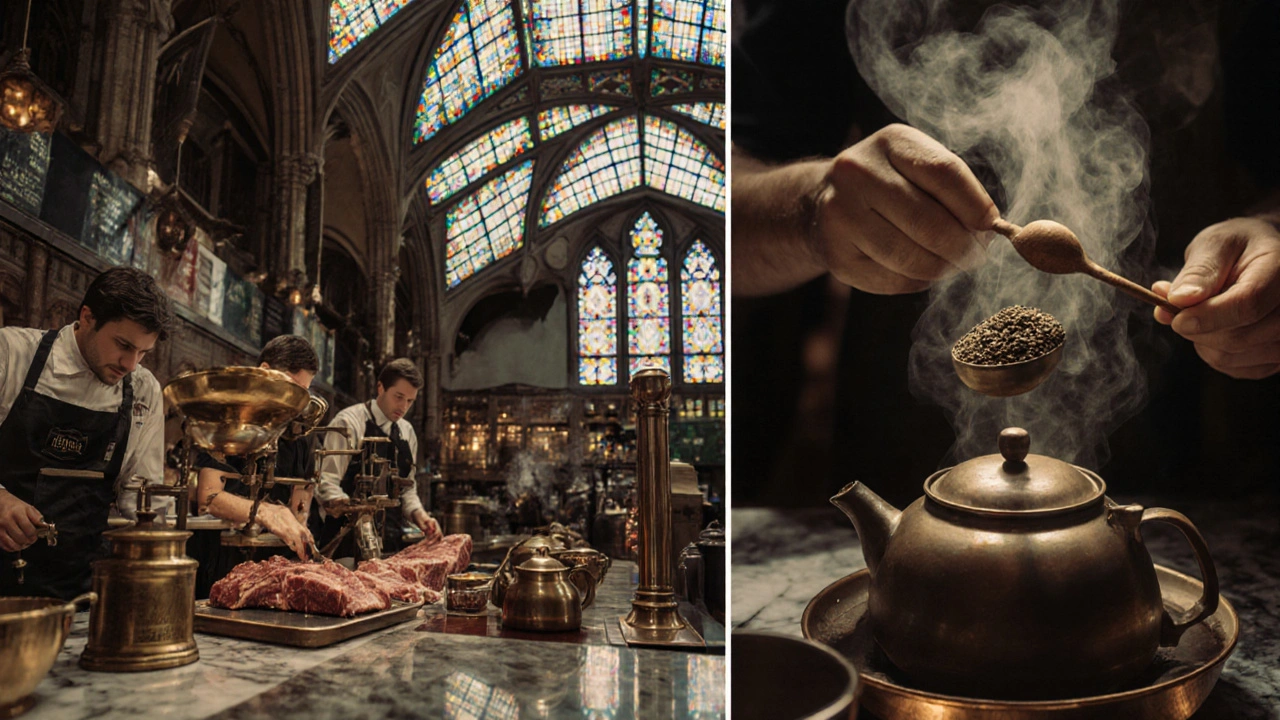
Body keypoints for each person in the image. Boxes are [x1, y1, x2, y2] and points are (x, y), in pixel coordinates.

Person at [732, 0, 1280, 505]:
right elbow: (690, 206)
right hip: (908, 499)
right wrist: (810, 210)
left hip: (1209, 493)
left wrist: (1270, 241)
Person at [0, 266, 173, 599]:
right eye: (123, 344)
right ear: (88, 317)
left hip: (79, 593)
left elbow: (143, 495)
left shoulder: (143, 390)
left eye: (143, 353)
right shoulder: (13, 353)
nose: (131, 364)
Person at [193, 335, 320, 570]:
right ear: (264, 371)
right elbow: (208, 498)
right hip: (219, 557)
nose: (296, 403)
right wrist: (265, 512)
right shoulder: (226, 417)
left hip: (275, 562)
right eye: (292, 388)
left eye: (303, 393)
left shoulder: (303, 434)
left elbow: (301, 506)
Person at [317, 358, 440, 559]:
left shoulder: (406, 431)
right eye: (398, 397)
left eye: (410, 401)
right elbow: (326, 482)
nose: (403, 407)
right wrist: (353, 509)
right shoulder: (349, 422)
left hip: (391, 542)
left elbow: (407, 489)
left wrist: (421, 516)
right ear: (380, 387)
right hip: (343, 544)